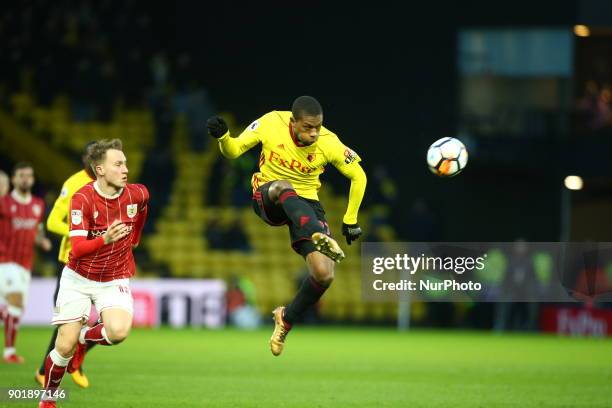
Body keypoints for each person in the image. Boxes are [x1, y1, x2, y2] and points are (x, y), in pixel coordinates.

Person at [207, 96, 367, 356]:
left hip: (306, 204)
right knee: (284, 186)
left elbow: (358, 176)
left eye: (318, 127)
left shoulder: (329, 142)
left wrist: (350, 219)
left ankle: (286, 320)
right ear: (293, 122)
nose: (314, 133)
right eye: (307, 127)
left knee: (324, 274)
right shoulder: (272, 122)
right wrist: (223, 137)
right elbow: (234, 150)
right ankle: (315, 231)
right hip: (268, 196)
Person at [39, 139, 149, 408]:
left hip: (114, 277)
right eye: (118, 164)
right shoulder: (82, 199)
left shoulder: (138, 194)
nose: (126, 169)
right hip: (78, 277)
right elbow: (76, 250)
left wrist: (134, 236)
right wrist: (106, 239)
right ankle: (48, 399)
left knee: (119, 331)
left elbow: (142, 211)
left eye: (125, 163)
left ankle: (82, 338)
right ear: (99, 169)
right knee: (62, 348)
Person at [35, 144, 95, 388]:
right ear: (85, 159)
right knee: (69, 321)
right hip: (71, 262)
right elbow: (52, 222)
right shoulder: (74, 183)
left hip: (100, 262)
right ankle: (45, 370)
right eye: (93, 156)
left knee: (110, 323)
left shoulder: (110, 183)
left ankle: (76, 360)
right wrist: (79, 233)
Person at [0, 163, 52, 363]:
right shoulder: (4, 202)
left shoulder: (38, 204)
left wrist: (42, 240)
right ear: (13, 179)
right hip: (5, 261)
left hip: (25, 264)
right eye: (21, 175)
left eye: (29, 176)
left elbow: (37, 230)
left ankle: (9, 352)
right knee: (15, 302)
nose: (25, 179)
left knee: (16, 309)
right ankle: (9, 353)